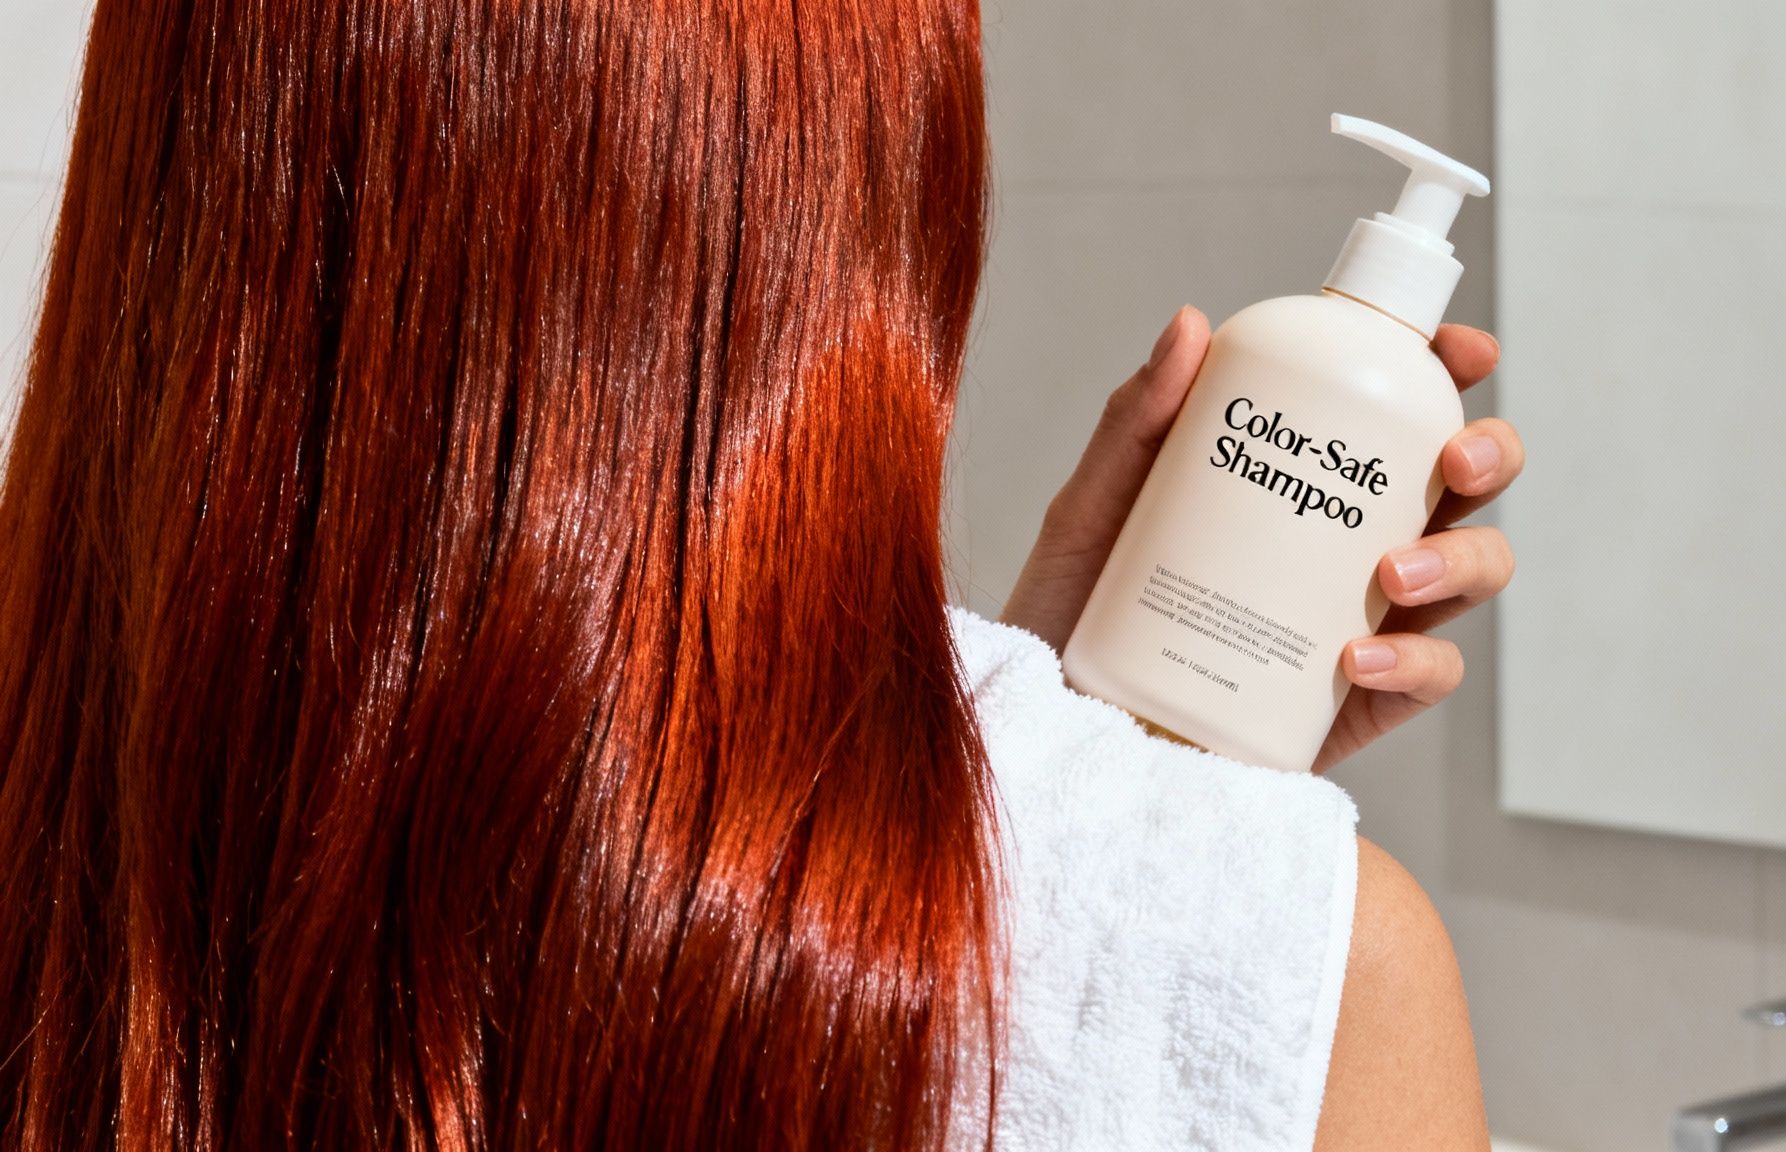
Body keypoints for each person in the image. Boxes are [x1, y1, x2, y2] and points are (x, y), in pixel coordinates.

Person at [0, 1, 1517, 1148]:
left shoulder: (65, 864)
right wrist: (1124, 837)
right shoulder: (1285, 965)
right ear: (863, 210)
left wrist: (1082, 735)